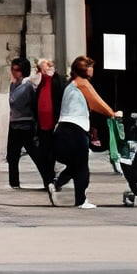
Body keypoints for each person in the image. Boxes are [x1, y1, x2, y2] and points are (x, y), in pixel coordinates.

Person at [54, 56, 118, 208]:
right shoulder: (83, 83)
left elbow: (92, 104)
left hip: (63, 127)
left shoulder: (71, 84)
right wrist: (112, 113)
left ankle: (57, 183)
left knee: (76, 164)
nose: (93, 70)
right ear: (85, 69)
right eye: (91, 67)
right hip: (76, 128)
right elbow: (96, 102)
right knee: (82, 166)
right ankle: (81, 201)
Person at [3, 57, 49, 191]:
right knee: (12, 155)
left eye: (16, 70)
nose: (13, 72)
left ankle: (48, 179)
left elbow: (15, 100)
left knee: (35, 154)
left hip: (26, 124)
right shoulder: (13, 84)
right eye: (12, 69)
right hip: (14, 123)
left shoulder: (27, 86)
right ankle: (14, 182)